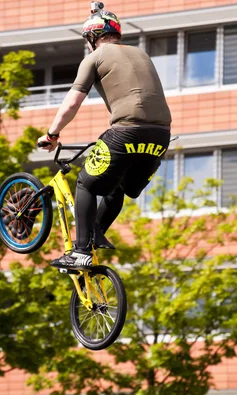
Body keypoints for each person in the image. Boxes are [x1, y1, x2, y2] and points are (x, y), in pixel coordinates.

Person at [37, 1, 172, 270]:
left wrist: (52, 134)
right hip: (161, 138)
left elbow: (72, 103)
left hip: (126, 132)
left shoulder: (94, 58)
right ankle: (95, 230)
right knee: (118, 184)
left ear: (92, 37)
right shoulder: (143, 55)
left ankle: (80, 252)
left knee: (86, 183)